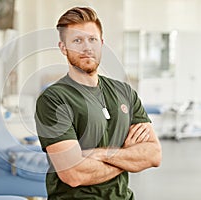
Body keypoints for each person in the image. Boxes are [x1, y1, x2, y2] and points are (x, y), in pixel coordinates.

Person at [35, 6, 162, 200]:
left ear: (101, 43)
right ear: (63, 47)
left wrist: (103, 154)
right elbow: (74, 174)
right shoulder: (54, 99)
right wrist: (128, 156)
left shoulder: (124, 92)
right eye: (77, 40)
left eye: (92, 39)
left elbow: (153, 155)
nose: (87, 47)